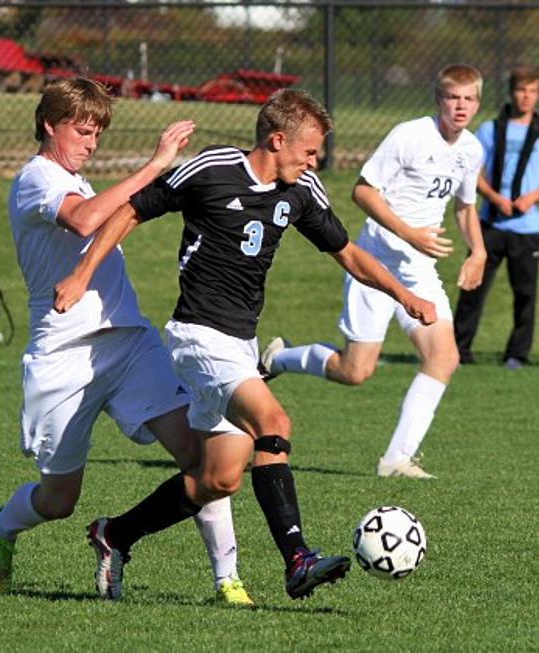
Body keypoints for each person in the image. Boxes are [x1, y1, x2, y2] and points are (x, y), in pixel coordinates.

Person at [53, 89, 437, 598]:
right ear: (277, 140)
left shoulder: (303, 191)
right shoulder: (213, 169)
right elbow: (131, 212)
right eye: (309, 150)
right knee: (274, 423)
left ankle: (115, 534)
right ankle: (297, 559)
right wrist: (81, 275)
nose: (314, 160)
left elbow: (347, 253)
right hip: (197, 335)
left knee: (218, 479)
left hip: (238, 342)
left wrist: (404, 294)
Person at [0, 77, 254, 606]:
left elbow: (108, 215)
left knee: (200, 459)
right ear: (48, 124)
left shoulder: (80, 180)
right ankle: (1, 529)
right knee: (59, 500)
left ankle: (228, 580)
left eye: (97, 135)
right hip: (65, 355)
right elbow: (84, 223)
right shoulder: (36, 178)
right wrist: (155, 165)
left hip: (129, 343)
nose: (90, 144)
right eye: (81, 132)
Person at [261, 64, 487, 480]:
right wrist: (409, 233)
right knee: (355, 371)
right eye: (453, 98)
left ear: (477, 103)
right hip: (376, 264)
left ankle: (396, 460)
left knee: (444, 356)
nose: (460, 106)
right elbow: (362, 191)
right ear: (439, 100)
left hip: (419, 270)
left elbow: (464, 206)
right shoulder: (409, 135)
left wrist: (479, 251)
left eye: (468, 99)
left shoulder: (472, 150)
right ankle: (281, 358)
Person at [454, 65, 539, 368]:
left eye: (532, 91)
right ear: (511, 92)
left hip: (526, 227)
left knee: (525, 294)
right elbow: (473, 175)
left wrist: (532, 198)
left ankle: (517, 353)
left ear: (538, 94)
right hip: (490, 223)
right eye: (520, 90)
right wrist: (493, 198)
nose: (526, 97)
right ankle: (458, 350)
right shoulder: (490, 131)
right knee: (472, 289)